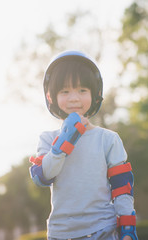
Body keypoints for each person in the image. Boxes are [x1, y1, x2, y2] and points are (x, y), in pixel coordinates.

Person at [29, 50, 138, 240]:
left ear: (95, 95)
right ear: (50, 97)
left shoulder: (108, 139)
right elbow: (43, 177)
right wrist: (65, 140)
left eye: (82, 90)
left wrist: (127, 228)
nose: (74, 98)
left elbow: (122, 187)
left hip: (103, 229)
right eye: (65, 91)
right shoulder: (47, 138)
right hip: (62, 233)